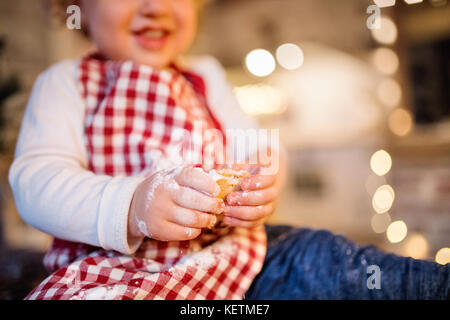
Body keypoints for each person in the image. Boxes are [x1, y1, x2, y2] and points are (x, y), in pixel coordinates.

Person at [8, 0, 449, 300]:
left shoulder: (205, 75)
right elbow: (36, 182)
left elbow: (254, 146)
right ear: (79, 7)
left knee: (330, 260)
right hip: (116, 271)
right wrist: (132, 205)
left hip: (236, 258)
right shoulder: (67, 82)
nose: (155, 6)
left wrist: (262, 182)